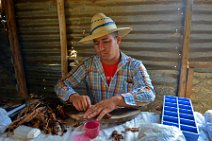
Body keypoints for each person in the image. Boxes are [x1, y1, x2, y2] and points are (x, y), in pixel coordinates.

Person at [55, 13, 156, 121]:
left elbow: (149, 93)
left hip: (124, 123)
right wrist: (73, 96)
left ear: (118, 40)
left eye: (106, 41)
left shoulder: (134, 66)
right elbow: (60, 85)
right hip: (95, 121)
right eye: (96, 43)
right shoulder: (87, 65)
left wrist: (117, 100)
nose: (101, 48)